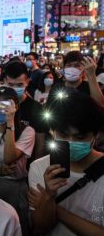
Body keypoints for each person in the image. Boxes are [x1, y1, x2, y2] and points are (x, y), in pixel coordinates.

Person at [28, 87, 104, 236]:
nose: (71, 142)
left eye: (80, 137)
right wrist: (49, 194)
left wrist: (57, 210)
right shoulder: (39, 167)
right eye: (63, 134)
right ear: (52, 131)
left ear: (95, 136)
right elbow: (41, 228)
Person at [0, 87, 35, 235]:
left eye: (4, 105)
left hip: (14, 188)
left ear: (14, 106)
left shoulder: (27, 131)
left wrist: (10, 123)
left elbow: (9, 157)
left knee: (15, 227)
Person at [4, 60, 48, 159]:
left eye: (19, 85)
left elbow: (40, 143)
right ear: (5, 82)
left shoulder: (36, 108)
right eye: (11, 85)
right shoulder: (0, 105)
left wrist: (35, 169)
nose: (15, 88)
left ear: (27, 82)